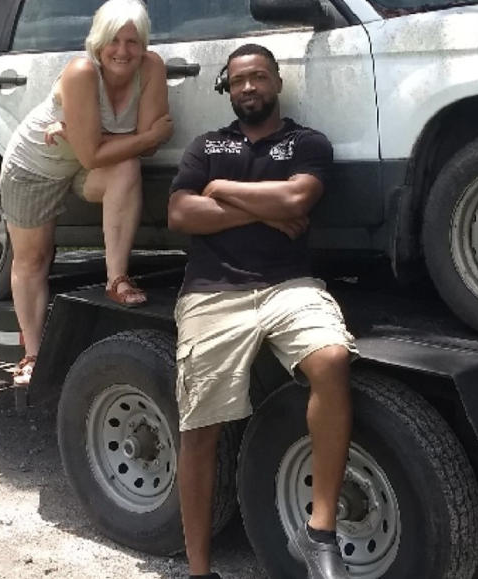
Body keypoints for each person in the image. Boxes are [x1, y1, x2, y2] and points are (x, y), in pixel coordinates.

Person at [167, 44, 356, 579]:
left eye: (258, 77)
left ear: (277, 81)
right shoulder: (207, 145)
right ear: (226, 88)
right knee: (199, 427)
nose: (249, 87)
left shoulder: (305, 142)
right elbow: (181, 212)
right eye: (238, 80)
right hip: (211, 292)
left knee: (332, 360)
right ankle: (199, 570)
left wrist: (224, 190)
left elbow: (298, 201)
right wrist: (264, 211)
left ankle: (319, 531)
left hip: (288, 287)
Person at [1, 0, 173, 387]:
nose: (122, 51)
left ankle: (117, 280)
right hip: (35, 166)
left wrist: (95, 135)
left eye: (132, 41)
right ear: (97, 42)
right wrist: (132, 136)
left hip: (84, 162)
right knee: (34, 258)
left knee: (126, 166)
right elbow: (137, 138)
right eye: (114, 40)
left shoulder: (152, 68)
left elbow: (145, 148)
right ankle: (32, 353)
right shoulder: (81, 72)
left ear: (143, 43)